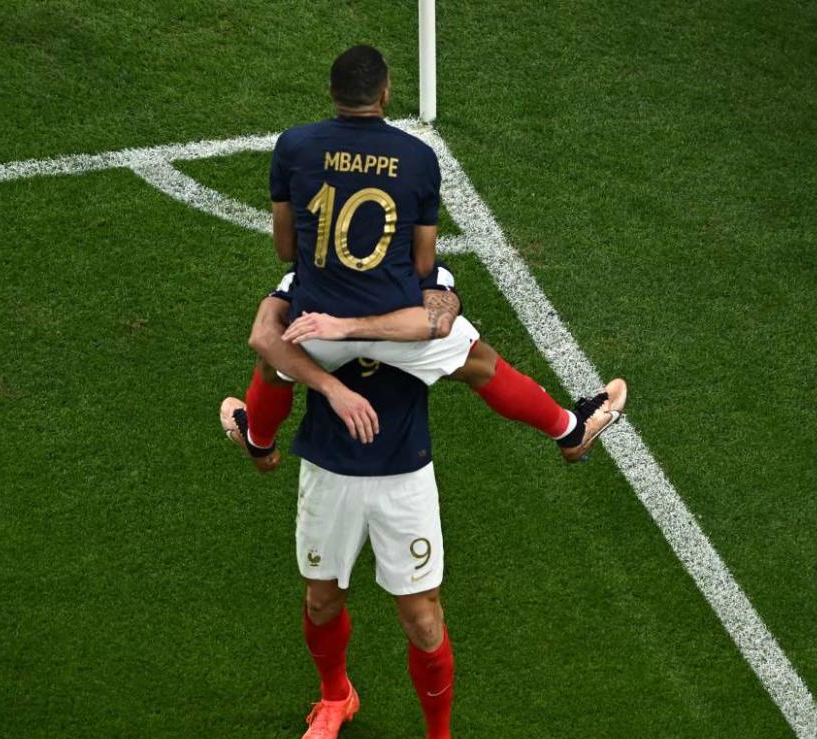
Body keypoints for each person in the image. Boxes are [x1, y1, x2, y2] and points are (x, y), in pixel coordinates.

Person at [225, 44, 626, 473]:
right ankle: (569, 431)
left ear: (331, 92)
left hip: (316, 326)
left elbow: (285, 249)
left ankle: (260, 443)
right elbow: (422, 262)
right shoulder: (417, 157)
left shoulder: (293, 146)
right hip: (403, 324)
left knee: (273, 364)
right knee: (480, 363)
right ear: (385, 93)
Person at [222, 271, 471, 739]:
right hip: (329, 471)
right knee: (321, 598)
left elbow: (463, 340)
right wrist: (261, 437)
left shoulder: (422, 281)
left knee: (422, 617)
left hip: (405, 476)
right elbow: (271, 362)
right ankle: (336, 697)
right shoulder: (308, 283)